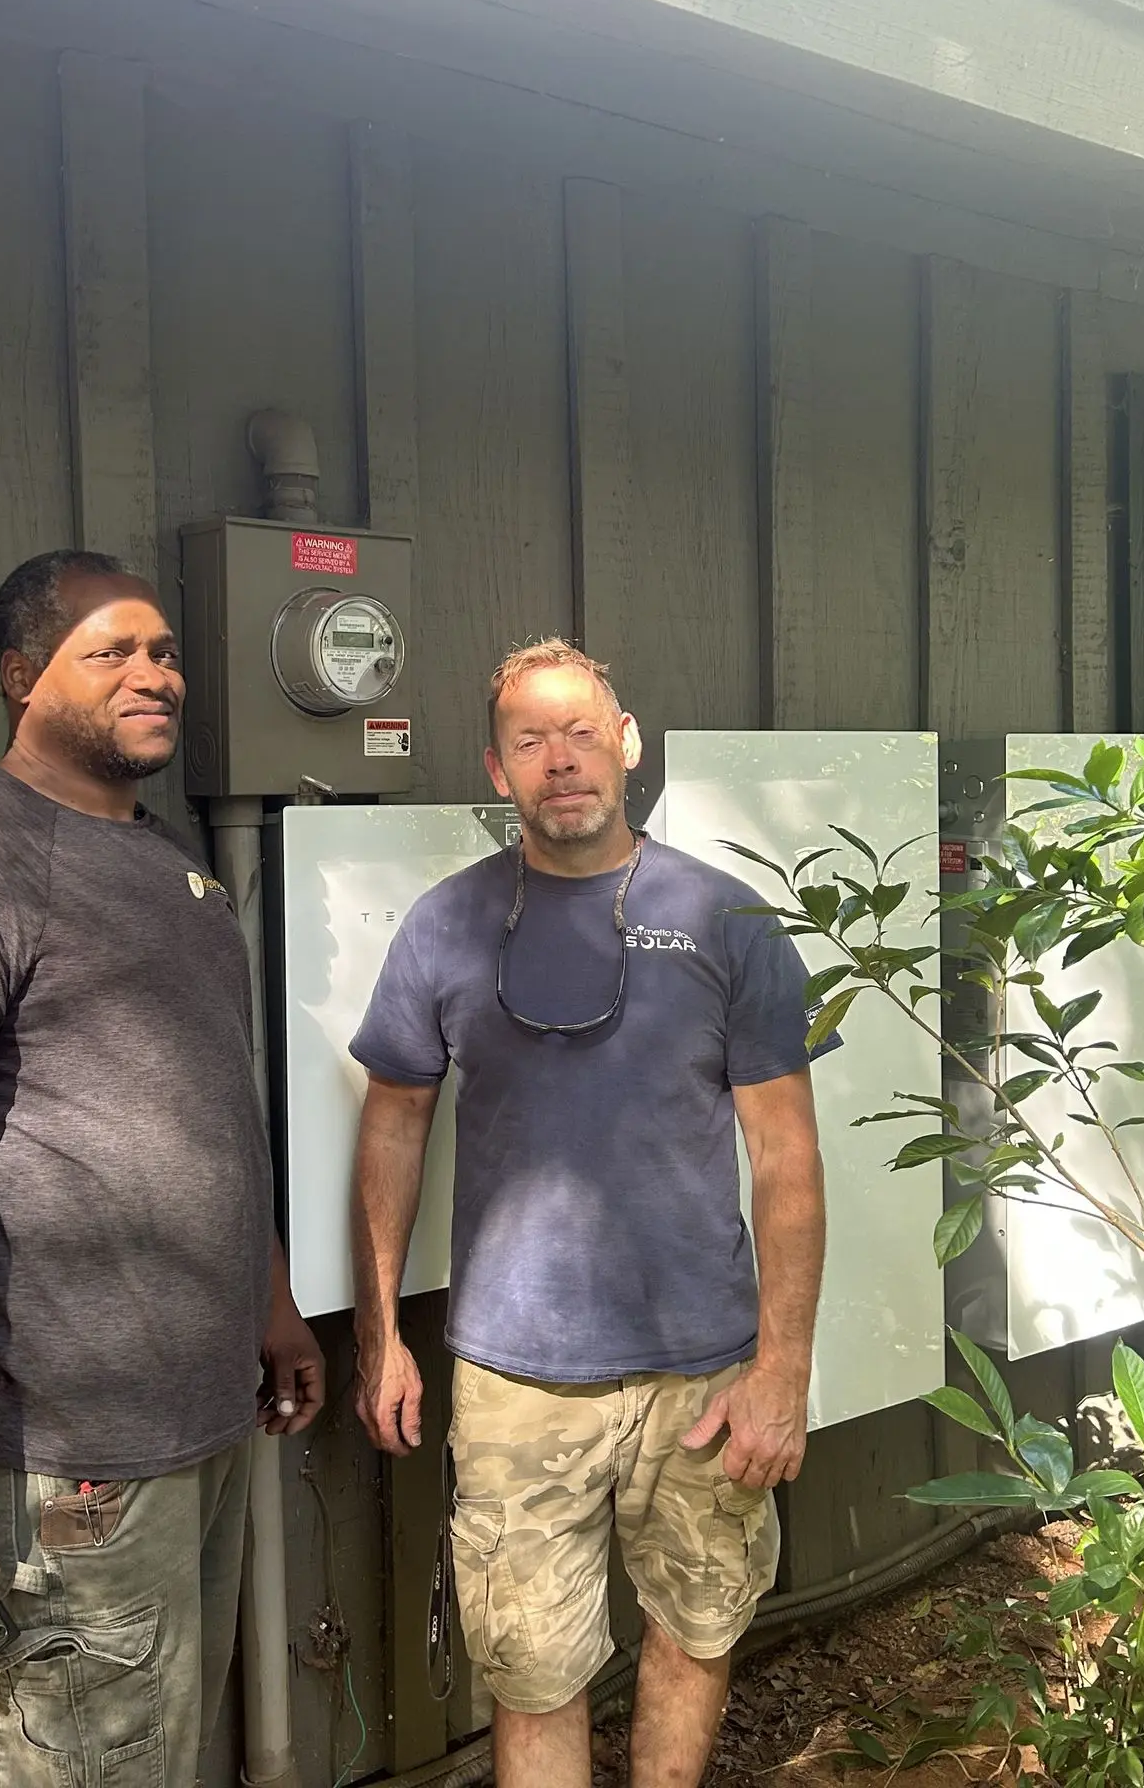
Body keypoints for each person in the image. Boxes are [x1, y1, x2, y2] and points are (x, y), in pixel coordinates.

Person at [0, 549, 324, 1787]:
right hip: (68, 1446)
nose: (153, 675)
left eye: (164, 653)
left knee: (153, 1752)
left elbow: (209, 1111)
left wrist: (269, 1303)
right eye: (111, 652)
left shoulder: (171, 868)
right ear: (19, 676)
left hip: (199, 1418)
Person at [349, 639, 831, 1788]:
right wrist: (379, 1335)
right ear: (497, 768)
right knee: (532, 1669)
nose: (559, 760)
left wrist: (782, 1371)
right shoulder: (445, 926)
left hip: (703, 1375)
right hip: (515, 1382)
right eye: (530, 740)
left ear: (627, 743)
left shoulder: (727, 921)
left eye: (580, 732)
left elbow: (786, 1157)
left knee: (698, 1624)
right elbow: (392, 1128)